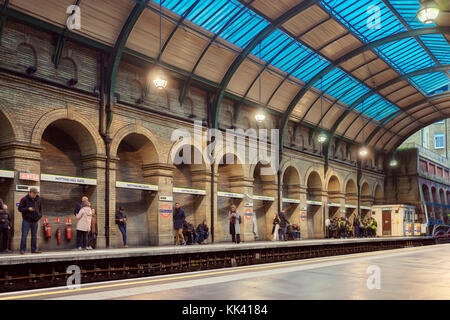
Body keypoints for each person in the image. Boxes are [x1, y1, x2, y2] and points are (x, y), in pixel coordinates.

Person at [18, 187, 43, 254]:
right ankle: (22, 250)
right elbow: (20, 209)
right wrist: (28, 209)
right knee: (24, 235)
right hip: (26, 220)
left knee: (34, 236)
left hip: (35, 221)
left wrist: (39, 216)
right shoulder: (24, 199)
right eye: (33, 193)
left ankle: (34, 249)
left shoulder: (38, 199)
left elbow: (40, 209)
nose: (34, 195)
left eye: (35, 194)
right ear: (29, 192)